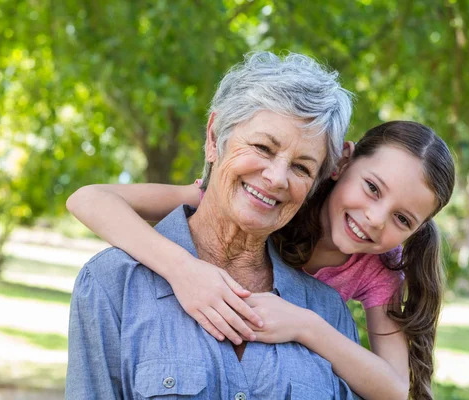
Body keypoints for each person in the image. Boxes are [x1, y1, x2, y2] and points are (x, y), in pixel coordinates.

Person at [69, 119, 456, 399]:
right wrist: (182, 269)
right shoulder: (264, 198)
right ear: (341, 162)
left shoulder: (380, 269)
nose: (375, 218)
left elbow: (393, 387)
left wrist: (308, 326)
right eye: (372, 188)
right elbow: (87, 199)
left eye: (402, 219)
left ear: (415, 231)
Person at [65, 51, 360, 399]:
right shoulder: (112, 283)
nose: (277, 177)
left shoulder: (326, 313)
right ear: (213, 138)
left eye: (301, 168)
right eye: (263, 147)